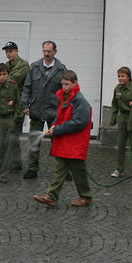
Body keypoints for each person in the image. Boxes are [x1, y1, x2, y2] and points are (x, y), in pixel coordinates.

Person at [33, 70, 93, 207]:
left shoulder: (80, 101)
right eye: (62, 84)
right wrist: (53, 127)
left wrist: (58, 129)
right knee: (61, 169)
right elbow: (61, 116)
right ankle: (52, 196)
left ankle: (86, 196)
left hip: (75, 143)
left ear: (75, 83)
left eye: (67, 84)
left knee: (79, 171)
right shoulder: (65, 97)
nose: (64, 87)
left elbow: (79, 122)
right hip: (66, 141)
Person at [21, 40, 66, 179]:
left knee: (58, 142)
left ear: (55, 52)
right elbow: (27, 87)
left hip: (54, 111)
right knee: (34, 141)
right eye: (44, 51)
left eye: (49, 51)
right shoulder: (34, 68)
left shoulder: (61, 69)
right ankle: (32, 169)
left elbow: (66, 90)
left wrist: (64, 109)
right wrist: (25, 105)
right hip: (37, 109)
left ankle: (64, 170)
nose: (46, 54)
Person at [3, 41, 29, 172]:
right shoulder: (7, 65)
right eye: (7, 51)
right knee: (8, 133)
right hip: (7, 104)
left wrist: (3, 78)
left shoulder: (23, 65)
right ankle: (12, 161)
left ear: (17, 51)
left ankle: (15, 162)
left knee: (14, 134)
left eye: (11, 51)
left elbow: (12, 81)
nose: (8, 54)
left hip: (18, 105)